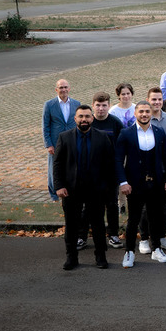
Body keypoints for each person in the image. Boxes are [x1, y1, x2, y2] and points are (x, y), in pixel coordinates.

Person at [115, 101, 166, 268]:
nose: (144, 114)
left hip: (156, 183)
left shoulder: (159, 132)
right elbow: (118, 160)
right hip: (134, 184)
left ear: (151, 113)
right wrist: (123, 182)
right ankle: (129, 252)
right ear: (135, 113)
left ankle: (156, 249)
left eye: (147, 111)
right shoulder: (126, 133)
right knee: (133, 219)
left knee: (155, 217)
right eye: (141, 111)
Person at [54, 105, 115, 270]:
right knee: (71, 225)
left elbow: (109, 165)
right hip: (71, 189)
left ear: (92, 118)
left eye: (87, 116)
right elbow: (58, 164)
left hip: (96, 190)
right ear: (75, 119)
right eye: (81, 116)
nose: (84, 119)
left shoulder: (102, 137)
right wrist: (59, 186)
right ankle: (71, 257)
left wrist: (108, 189)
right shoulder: (64, 137)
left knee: (98, 224)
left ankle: (100, 256)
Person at [137, 87, 166, 254]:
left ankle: (161, 237)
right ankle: (144, 239)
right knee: (145, 208)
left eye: (159, 99)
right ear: (148, 100)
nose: (157, 102)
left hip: (165, 170)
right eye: (153, 99)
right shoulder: (143, 120)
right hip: (146, 171)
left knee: (162, 206)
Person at [85, 92, 123, 250]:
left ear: (109, 105)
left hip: (110, 172)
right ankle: (82, 236)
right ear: (93, 105)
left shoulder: (115, 123)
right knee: (88, 205)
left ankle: (113, 234)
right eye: (98, 105)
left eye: (104, 105)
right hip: (90, 172)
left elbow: (121, 148)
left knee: (112, 204)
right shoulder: (87, 122)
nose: (101, 108)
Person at [43, 78, 80, 201]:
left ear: (69, 88)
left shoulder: (76, 104)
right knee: (54, 167)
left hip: (72, 140)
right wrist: (48, 144)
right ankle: (54, 194)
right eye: (61, 87)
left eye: (65, 87)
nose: (63, 90)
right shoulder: (49, 105)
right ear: (56, 89)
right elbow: (45, 126)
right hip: (56, 142)